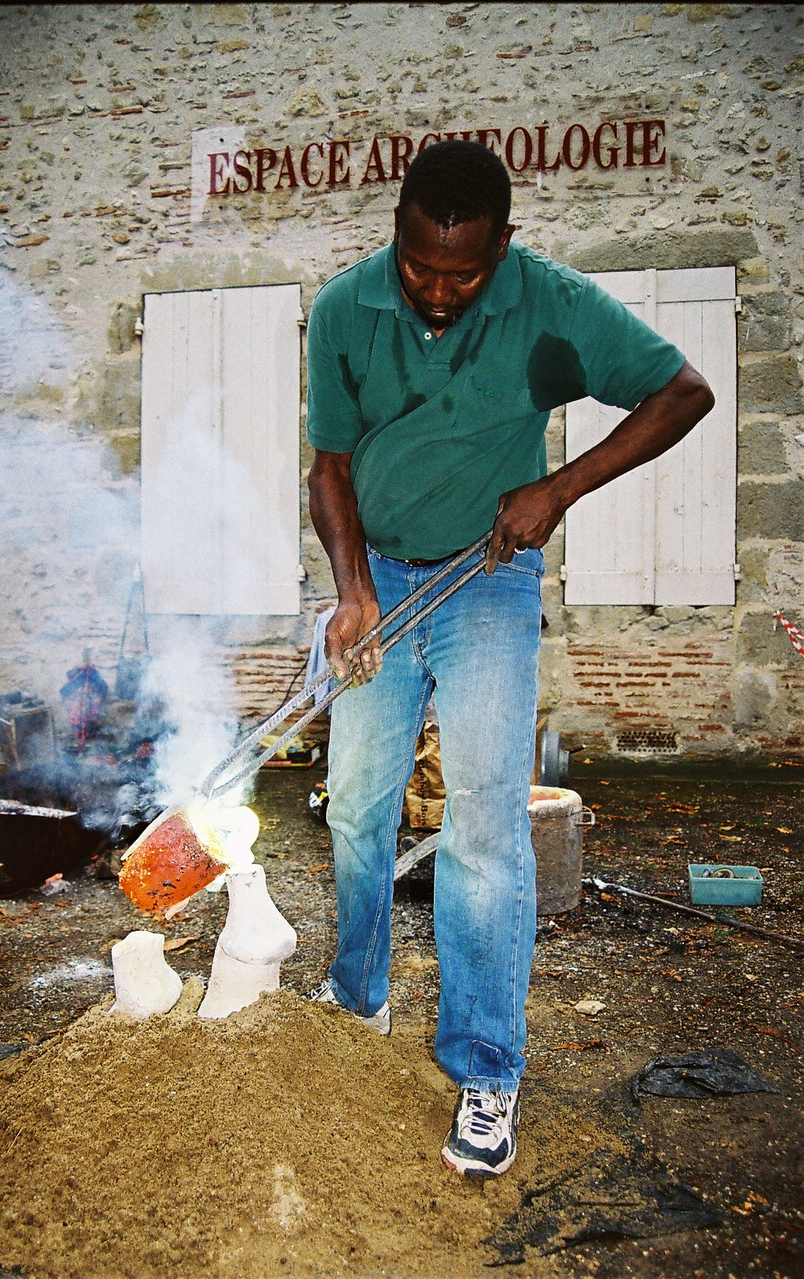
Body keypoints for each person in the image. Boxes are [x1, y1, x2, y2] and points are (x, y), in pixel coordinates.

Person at [305, 140, 714, 1178]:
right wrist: (352, 593)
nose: (437, 292)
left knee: (483, 825)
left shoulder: (550, 305)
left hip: (486, 581)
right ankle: (357, 995)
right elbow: (332, 466)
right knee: (355, 803)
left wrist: (557, 489)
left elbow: (681, 391)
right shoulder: (346, 310)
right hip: (384, 581)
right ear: (395, 232)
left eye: (463, 272)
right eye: (418, 266)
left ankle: (485, 1070)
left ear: (502, 246)